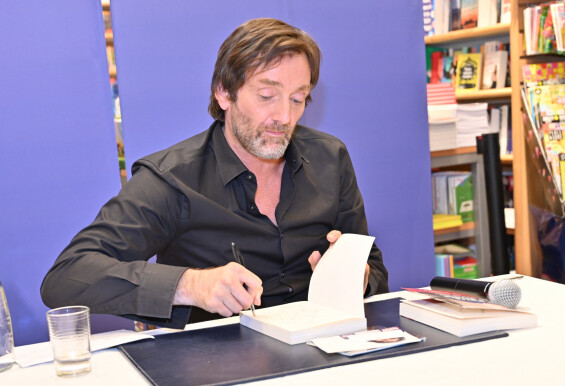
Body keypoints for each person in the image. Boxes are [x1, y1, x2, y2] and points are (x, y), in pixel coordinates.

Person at [41, 18, 389, 328]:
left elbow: (372, 266)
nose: (284, 116)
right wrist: (190, 285)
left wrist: (357, 278)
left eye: (298, 99)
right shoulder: (172, 178)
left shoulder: (331, 157)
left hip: (326, 354)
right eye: (267, 95)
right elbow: (66, 276)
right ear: (224, 92)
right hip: (215, 365)